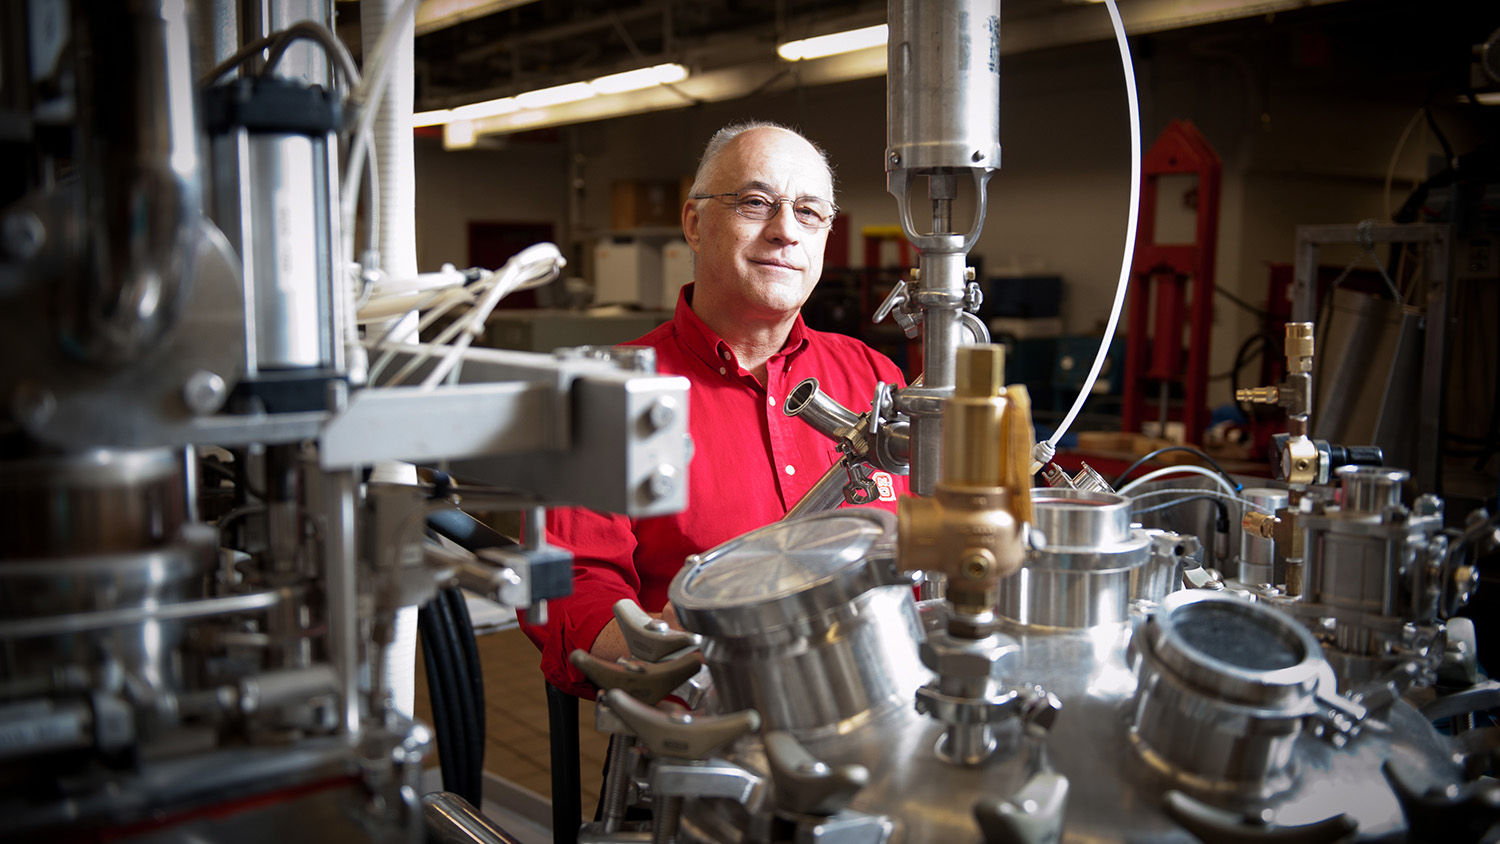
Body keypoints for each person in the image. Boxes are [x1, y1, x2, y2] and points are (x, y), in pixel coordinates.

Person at [521, 121, 910, 697]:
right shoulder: (609, 391)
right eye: (756, 203)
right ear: (695, 225)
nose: (785, 232)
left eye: (809, 212)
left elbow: (932, 548)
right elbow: (571, 583)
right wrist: (662, 653)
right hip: (710, 724)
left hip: (886, 703)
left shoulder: (875, 376)